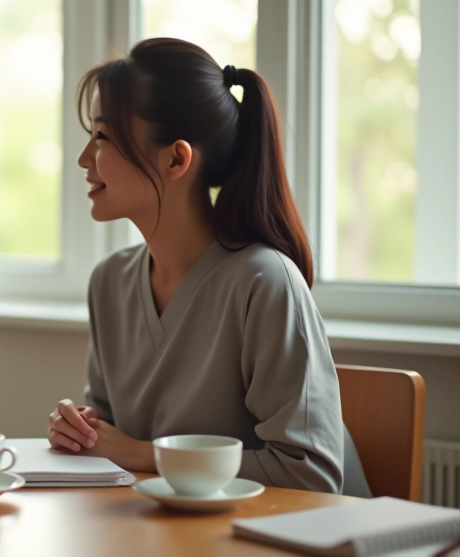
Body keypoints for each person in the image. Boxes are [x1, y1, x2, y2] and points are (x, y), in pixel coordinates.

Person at [47, 37, 349, 493]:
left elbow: (313, 477)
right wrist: (80, 433)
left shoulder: (265, 282)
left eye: (103, 136)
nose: (84, 158)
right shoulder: (109, 282)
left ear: (176, 158)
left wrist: (142, 453)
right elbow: (110, 442)